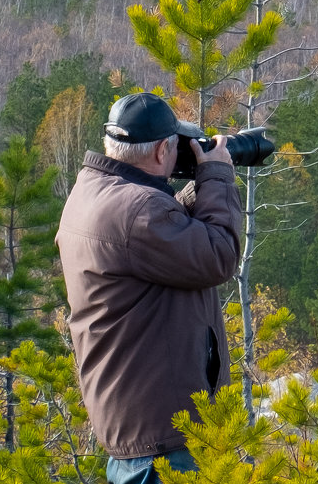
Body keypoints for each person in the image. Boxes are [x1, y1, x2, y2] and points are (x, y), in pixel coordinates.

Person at [56, 92, 242, 484]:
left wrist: (196, 188)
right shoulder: (140, 211)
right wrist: (217, 176)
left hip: (133, 424)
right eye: (176, 147)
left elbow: (159, 234)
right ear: (161, 151)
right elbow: (219, 254)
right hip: (165, 441)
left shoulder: (91, 192)